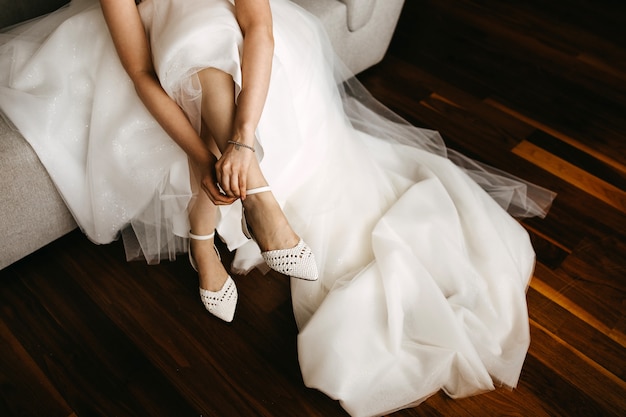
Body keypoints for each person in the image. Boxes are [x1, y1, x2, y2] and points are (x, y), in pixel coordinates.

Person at [0, 0, 556, 415]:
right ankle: (256, 204)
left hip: (234, 54)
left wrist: (242, 138)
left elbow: (258, 28)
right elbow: (142, 74)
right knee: (193, 50)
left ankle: (209, 233)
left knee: (209, 40)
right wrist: (200, 156)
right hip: (155, 58)